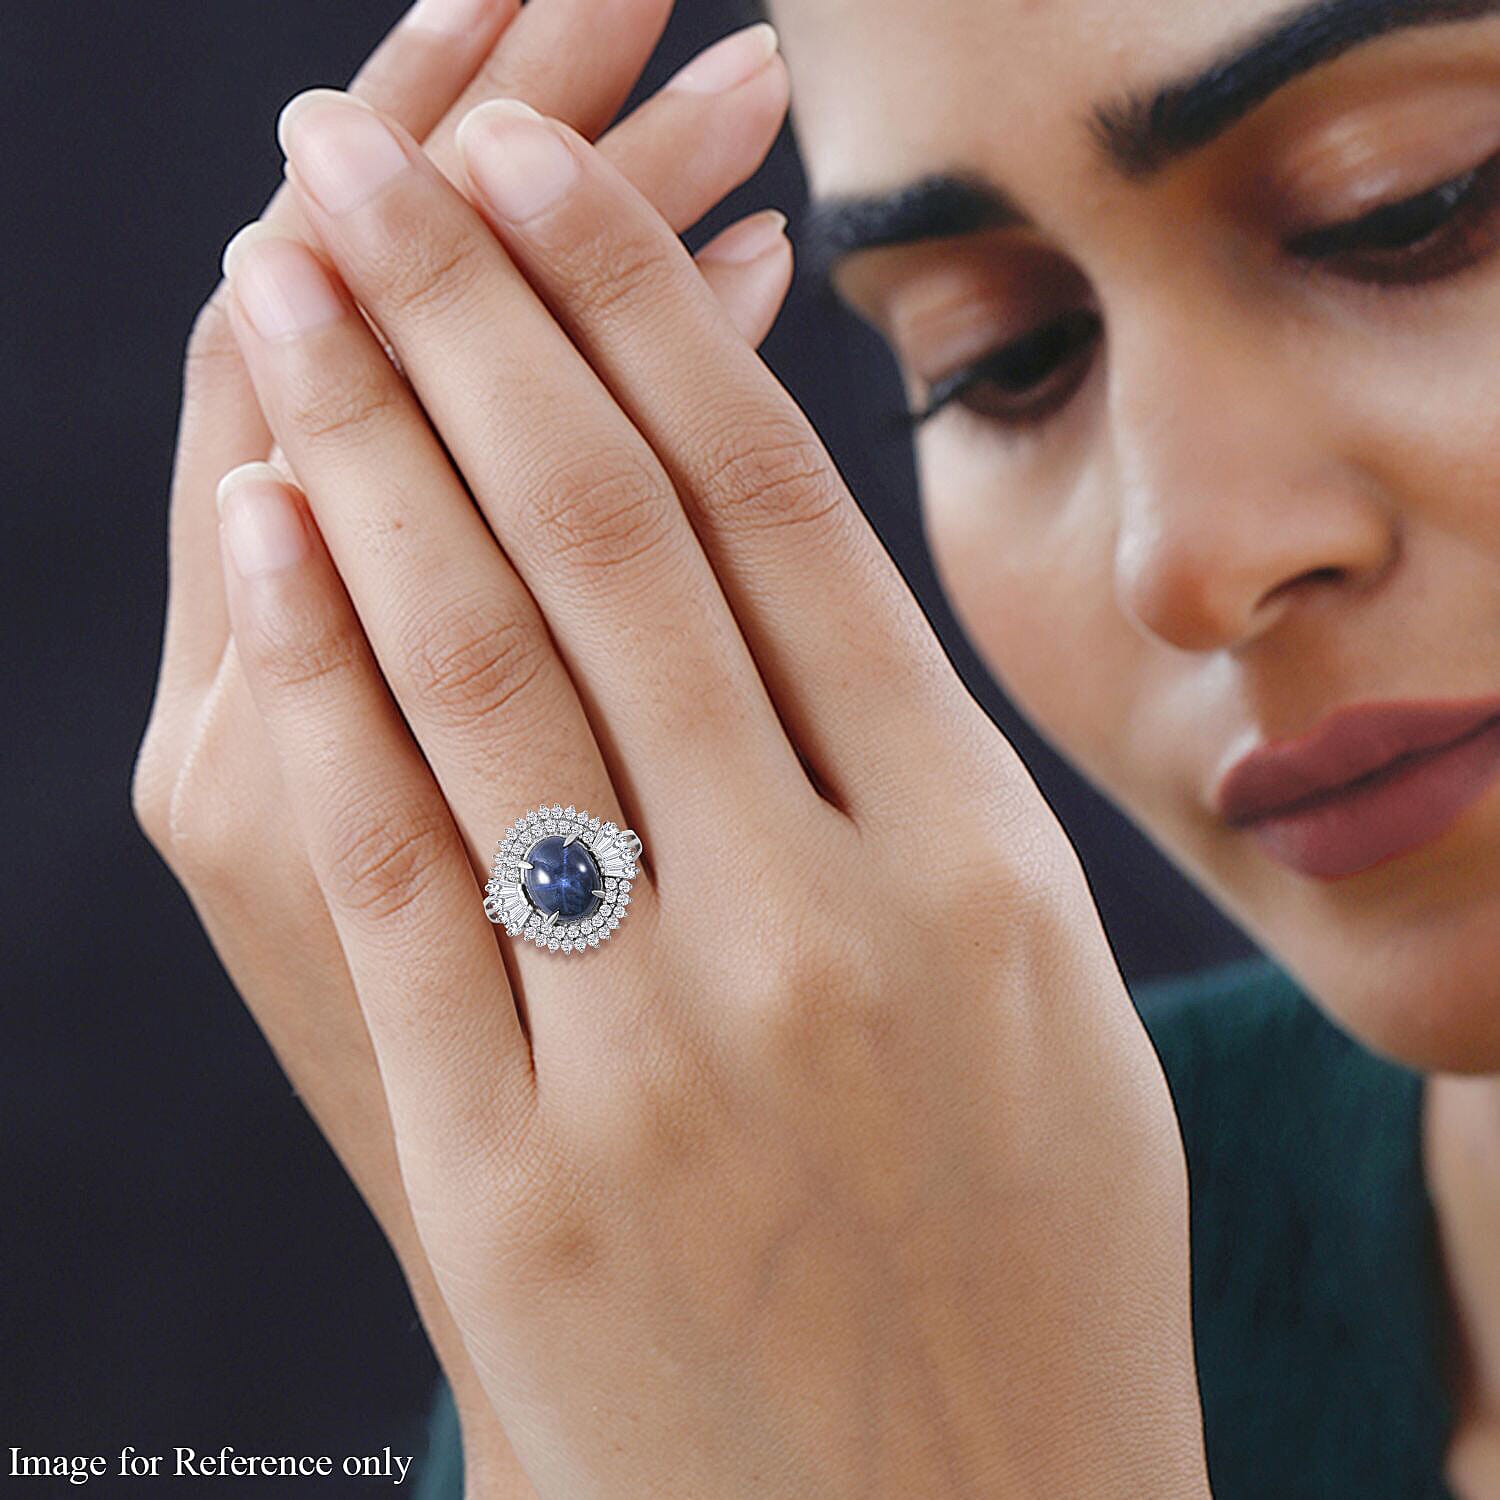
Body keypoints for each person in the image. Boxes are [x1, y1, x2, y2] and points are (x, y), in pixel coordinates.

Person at [129, 0, 1500, 1494]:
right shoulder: (824, 1239)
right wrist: (564, 1376)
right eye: (1004, 356)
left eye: (1411, 205)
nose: (1182, 560)